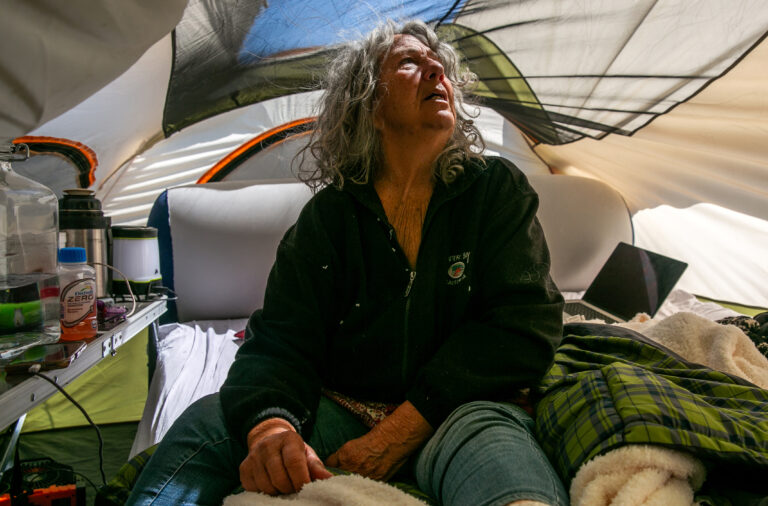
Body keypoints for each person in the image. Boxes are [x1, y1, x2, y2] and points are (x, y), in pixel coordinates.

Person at [127, 19, 567, 506]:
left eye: (439, 65)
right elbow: (280, 341)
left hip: (459, 410)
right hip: (344, 408)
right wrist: (272, 428)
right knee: (207, 422)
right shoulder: (329, 218)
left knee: (515, 490)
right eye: (410, 62)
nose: (436, 71)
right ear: (368, 102)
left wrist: (399, 431)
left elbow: (524, 323)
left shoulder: (494, 190)